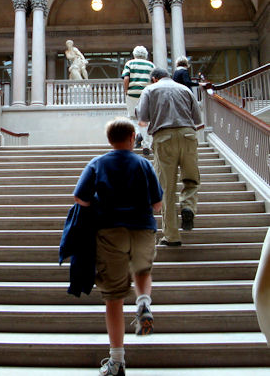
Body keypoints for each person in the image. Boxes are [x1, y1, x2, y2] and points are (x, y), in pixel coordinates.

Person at [73, 117, 163, 376]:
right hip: (143, 227)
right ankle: (144, 301)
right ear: (133, 137)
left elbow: (80, 197)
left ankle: (117, 361)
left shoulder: (98, 163)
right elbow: (157, 204)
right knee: (142, 269)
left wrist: (96, 204)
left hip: (110, 230)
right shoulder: (144, 164)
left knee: (114, 297)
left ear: (109, 140)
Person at [136, 67, 202, 247]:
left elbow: (142, 118)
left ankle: (172, 236)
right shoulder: (185, 89)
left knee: (166, 188)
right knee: (191, 180)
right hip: (188, 135)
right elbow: (197, 119)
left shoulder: (150, 90)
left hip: (163, 138)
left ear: (154, 79)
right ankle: (188, 206)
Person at [121, 46, 154, 155]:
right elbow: (154, 80)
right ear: (145, 55)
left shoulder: (129, 63)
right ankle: (146, 145)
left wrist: (126, 91)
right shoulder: (151, 65)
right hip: (147, 94)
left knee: (133, 117)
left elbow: (126, 78)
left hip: (133, 94)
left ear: (134, 54)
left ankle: (139, 133)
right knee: (147, 120)